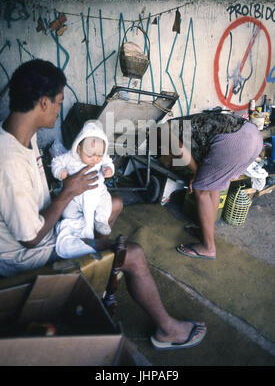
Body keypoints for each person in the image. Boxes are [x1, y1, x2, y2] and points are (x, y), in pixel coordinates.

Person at [0, 59, 206, 351]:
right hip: (29, 256)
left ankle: (100, 265)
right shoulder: (7, 161)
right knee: (133, 254)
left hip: (48, 231)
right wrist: (68, 192)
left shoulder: (21, 136)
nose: (60, 109)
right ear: (44, 102)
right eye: (58, 102)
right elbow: (30, 238)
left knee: (116, 203)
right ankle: (167, 330)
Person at [159, 111, 263, 260]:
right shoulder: (187, 127)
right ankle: (205, 232)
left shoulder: (165, 130)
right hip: (252, 136)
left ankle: (208, 248)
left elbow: (180, 151)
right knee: (213, 188)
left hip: (235, 141)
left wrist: (195, 173)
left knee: (201, 191)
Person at [51, 120, 115, 259]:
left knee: (106, 201)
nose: (95, 159)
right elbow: (56, 162)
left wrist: (109, 169)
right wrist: (60, 171)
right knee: (69, 211)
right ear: (78, 148)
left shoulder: (101, 158)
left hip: (96, 191)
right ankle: (74, 225)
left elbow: (108, 161)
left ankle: (100, 220)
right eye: (90, 155)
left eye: (99, 155)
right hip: (75, 195)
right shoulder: (70, 157)